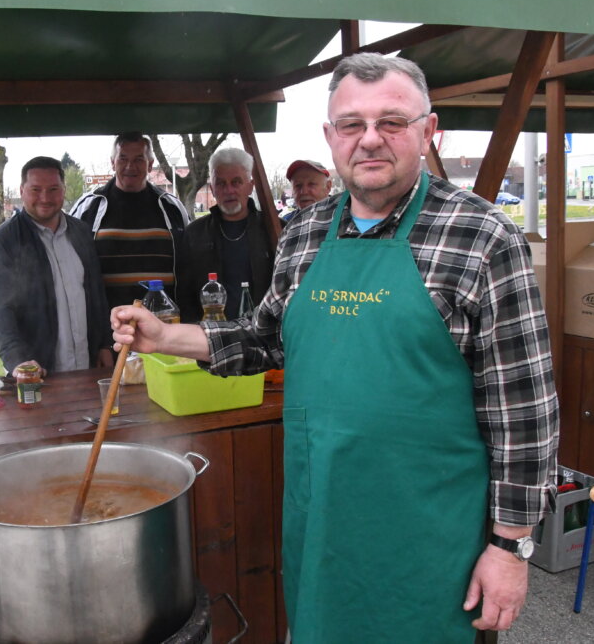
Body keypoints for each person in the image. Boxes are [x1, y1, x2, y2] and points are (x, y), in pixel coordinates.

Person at [111, 53, 559, 642]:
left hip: (429, 542)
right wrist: (165, 336)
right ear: (331, 137)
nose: (370, 140)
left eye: (392, 122)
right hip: (321, 530)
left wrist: (509, 549)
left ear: (429, 131)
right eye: (352, 125)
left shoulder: (481, 237)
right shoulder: (303, 232)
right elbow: (263, 338)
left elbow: (524, 416)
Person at [0, 156, 114, 374]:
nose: (45, 198)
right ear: (22, 190)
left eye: (53, 189)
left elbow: (96, 295)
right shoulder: (4, 242)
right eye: (36, 189)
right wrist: (18, 360)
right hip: (38, 372)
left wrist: (104, 345)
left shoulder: (81, 233)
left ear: (64, 189)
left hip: (87, 369)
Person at [69, 132, 190, 309]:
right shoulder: (87, 207)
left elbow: (187, 263)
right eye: (123, 158)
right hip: (107, 324)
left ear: (150, 165)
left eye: (139, 159)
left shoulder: (172, 207)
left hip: (163, 323)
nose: (130, 166)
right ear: (113, 162)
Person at [178, 147, 276, 322]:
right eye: (221, 183)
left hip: (264, 335)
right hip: (211, 338)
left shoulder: (274, 230)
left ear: (250, 186)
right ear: (213, 189)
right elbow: (184, 295)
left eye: (236, 182)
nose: (228, 190)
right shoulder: (194, 234)